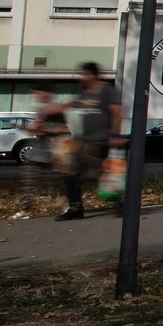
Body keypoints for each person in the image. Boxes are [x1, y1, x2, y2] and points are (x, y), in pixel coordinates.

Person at [59, 62, 122, 222]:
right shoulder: (83, 92)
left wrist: (115, 134)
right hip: (82, 139)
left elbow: (117, 112)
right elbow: (76, 108)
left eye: (85, 74)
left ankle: (118, 202)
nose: (82, 77)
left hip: (99, 139)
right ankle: (76, 207)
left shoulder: (106, 90)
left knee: (94, 173)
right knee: (71, 172)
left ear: (94, 75)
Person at [14, 88, 68, 219]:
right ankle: (25, 210)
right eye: (35, 93)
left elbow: (65, 128)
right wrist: (28, 128)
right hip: (39, 151)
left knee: (59, 180)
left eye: (39, 92)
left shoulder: (56, 108)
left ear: (47, 93)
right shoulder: (41, 109)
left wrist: (46, 130)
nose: (37, 96)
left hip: (53, 151)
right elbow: (38, 128)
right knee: (29, 178)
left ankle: (71, 204)